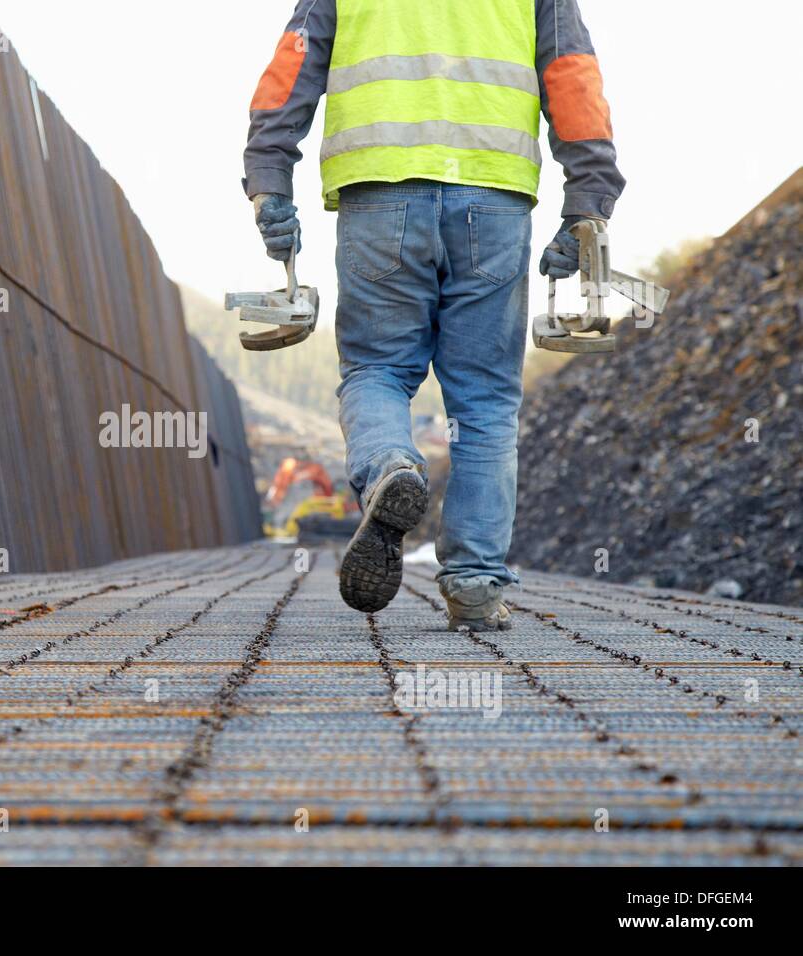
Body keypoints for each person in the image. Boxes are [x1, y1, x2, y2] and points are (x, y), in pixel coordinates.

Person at [243, 0, 624, 630]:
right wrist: (587, 203)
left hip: (379, 191)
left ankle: (390, 465)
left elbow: (293, 68)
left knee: (377, 370)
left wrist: (268, 182)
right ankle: (474, 582)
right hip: (493, 194)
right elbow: (572, 75)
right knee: (484, 399)